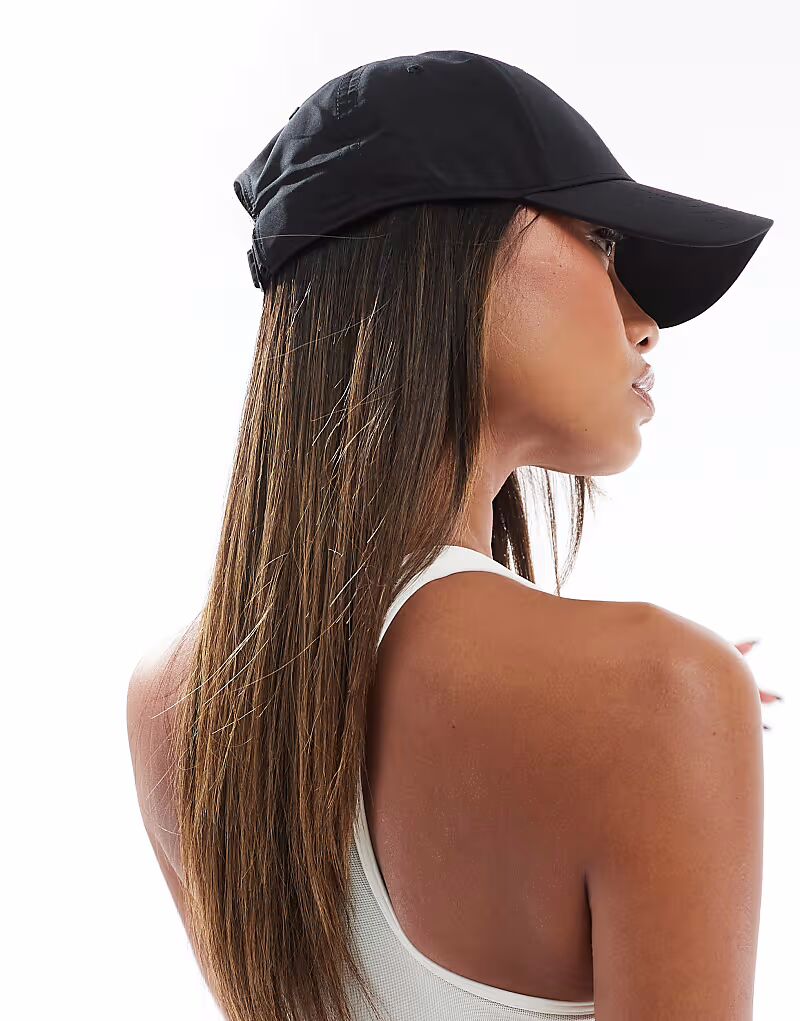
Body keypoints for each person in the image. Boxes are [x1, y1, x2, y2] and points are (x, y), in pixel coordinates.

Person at [127, 51, 772, 1021]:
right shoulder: (655, 693)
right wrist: (672, 711)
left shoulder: (169, 702)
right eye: (600, 240)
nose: (643, 323)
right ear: (446, 256)